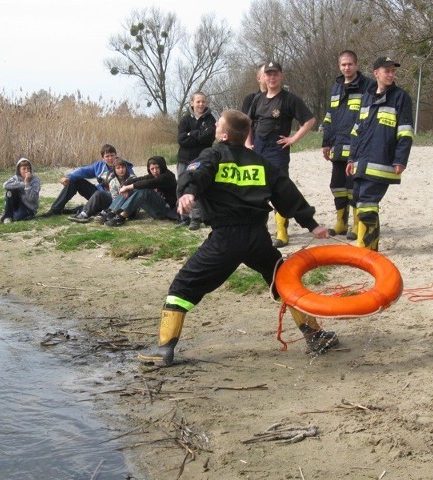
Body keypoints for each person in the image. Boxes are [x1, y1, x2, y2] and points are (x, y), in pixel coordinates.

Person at [137, 110, 337, 367]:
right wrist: (312, 225)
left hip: (225, 239)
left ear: (223, 134)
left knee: (181, 288)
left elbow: (195, 173)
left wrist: (187, 193)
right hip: (258, 238)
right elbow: (287, 193)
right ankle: (316, 336)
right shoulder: (260, 162)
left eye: (217, 126)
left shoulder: (213, 154)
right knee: (283, 283)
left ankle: (163, 349)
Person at [246, 61, 317, 248]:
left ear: (281, 76)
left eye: (275, 74)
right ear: (263, 77)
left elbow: (310, 120)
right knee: (258, 190)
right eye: (268, 74)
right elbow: (247, 123)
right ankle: (259, 230)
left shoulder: (289, 99)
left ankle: (282, 232)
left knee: (280, 190)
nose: (271, 78)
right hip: (258, 149)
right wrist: (247, 143)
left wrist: (294, 139)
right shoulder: (257, 99)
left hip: (277, 151)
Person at [346, 56, 413, 251]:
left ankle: (368, 249)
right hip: (361, 162)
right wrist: (351, 158)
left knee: (367, 204)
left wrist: (400, 159)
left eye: (393, 71)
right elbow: (356, 131)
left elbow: (405, 132)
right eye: (387, 71)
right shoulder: (367, 97)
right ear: (376, 73)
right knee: (359, 201)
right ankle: (367, 245)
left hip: (382, 162)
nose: (391, 74)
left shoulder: (401, 97)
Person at [322, 50, 373, 240]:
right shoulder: (336, 87)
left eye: (350, 64)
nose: (347, 68)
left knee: (353, 186)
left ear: (356, 65)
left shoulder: (368, 86)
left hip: (357, 145)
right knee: (336, 184)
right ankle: (341, 222)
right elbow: (329, 116)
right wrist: (326, 142)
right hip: (337, 144)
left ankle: (356, 223)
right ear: (339, 66)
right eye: (343, 64)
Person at [41, 144, 133, 217]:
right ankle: (55, 209)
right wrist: (68, 177)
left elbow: (132, 180)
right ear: (103, 158)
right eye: (107, 156)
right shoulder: (99, 166)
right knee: (75, 180)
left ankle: (82, 209)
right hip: (99, 194)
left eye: (112, 155)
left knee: (99, 195)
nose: (110, 158)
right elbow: (83, 171)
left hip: (116, 198)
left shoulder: (123, 166)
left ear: (116, 155)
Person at [176, 91, 216, 230]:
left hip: (200, 160)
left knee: (196, 187)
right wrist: (198, 135)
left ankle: (196, 218)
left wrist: (191, 134)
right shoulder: (185, 120)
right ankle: (184, 217)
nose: (201, 104)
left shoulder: (210, 119)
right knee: (181, 186)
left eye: (203, 101)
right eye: (198, 101)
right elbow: (181, 139)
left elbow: (209, 137)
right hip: (184, 158)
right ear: (192, 103)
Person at [104, 156, 177, 227]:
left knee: (145, 190)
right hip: (156, 210)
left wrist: (128, 187)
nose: (155, 171)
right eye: (152, 169)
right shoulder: (153, 175)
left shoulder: (168, 177)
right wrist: (125, 186)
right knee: (136, 187)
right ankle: (112, 212)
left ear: (162, 166)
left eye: (157, 168)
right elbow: (137, 180)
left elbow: (148, 183)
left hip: (167, 211)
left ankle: (121, 217)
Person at [68, 157, 135, 223]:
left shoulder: (132, 178)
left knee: (122, 195)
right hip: (115, 203)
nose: (121, 170)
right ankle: (84, 214)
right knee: (99, 194)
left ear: (126, 168)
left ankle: (101, 213)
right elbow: (114, 198)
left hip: (129, 207)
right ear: (114, 170)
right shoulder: (113, 181)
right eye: (118, 168)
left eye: (123, 167)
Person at [0, 157, 41, 223]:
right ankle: (7, 216)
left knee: (16, 218)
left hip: (28, 206)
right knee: (10, 191)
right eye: (24, 169)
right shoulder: (16, 178)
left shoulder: (35, 181)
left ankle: (8, 215)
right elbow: (5, 185)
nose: (27, 171)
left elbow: (31, 198)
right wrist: (22, 184)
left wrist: (27, 184)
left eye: (28, 169)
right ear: (19, 170)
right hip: (17, 202)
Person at [241, 64, 267, 136]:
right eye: (266, 74)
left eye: (272, 74)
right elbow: (245, 124)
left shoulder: (283, 99)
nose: (270, 77)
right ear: (258, 78)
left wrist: (292, 139)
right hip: (254, 142)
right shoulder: (250, 99)